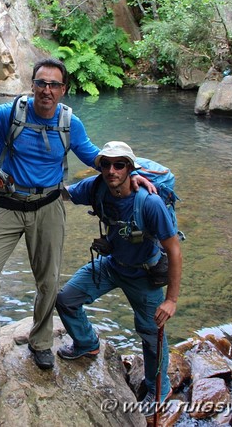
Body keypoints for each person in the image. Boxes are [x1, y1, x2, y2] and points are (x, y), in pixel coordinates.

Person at [0, 58, 156, 370]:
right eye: (41, 83)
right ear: (32, 84)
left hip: (48, 205)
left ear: (63, 89)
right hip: (8, 203)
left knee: (48, 282)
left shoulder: (69, 124)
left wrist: (135, 172)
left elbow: (95, 157)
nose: (46, 90)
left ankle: (40, 341)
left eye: (53, 84)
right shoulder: (9, 114)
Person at [55, 141, 182, 412]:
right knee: (66, 299)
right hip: (111, 265)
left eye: (119, 165)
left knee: (151, 334)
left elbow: (174, 250)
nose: (111, 170)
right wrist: (27, 183)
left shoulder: (150, 203)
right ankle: (87, 343)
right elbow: (63, 193)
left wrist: (171, 300)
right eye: (105, 164)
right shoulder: (97, 187)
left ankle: (160, 389)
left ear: (130, 168)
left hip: (144, 274)